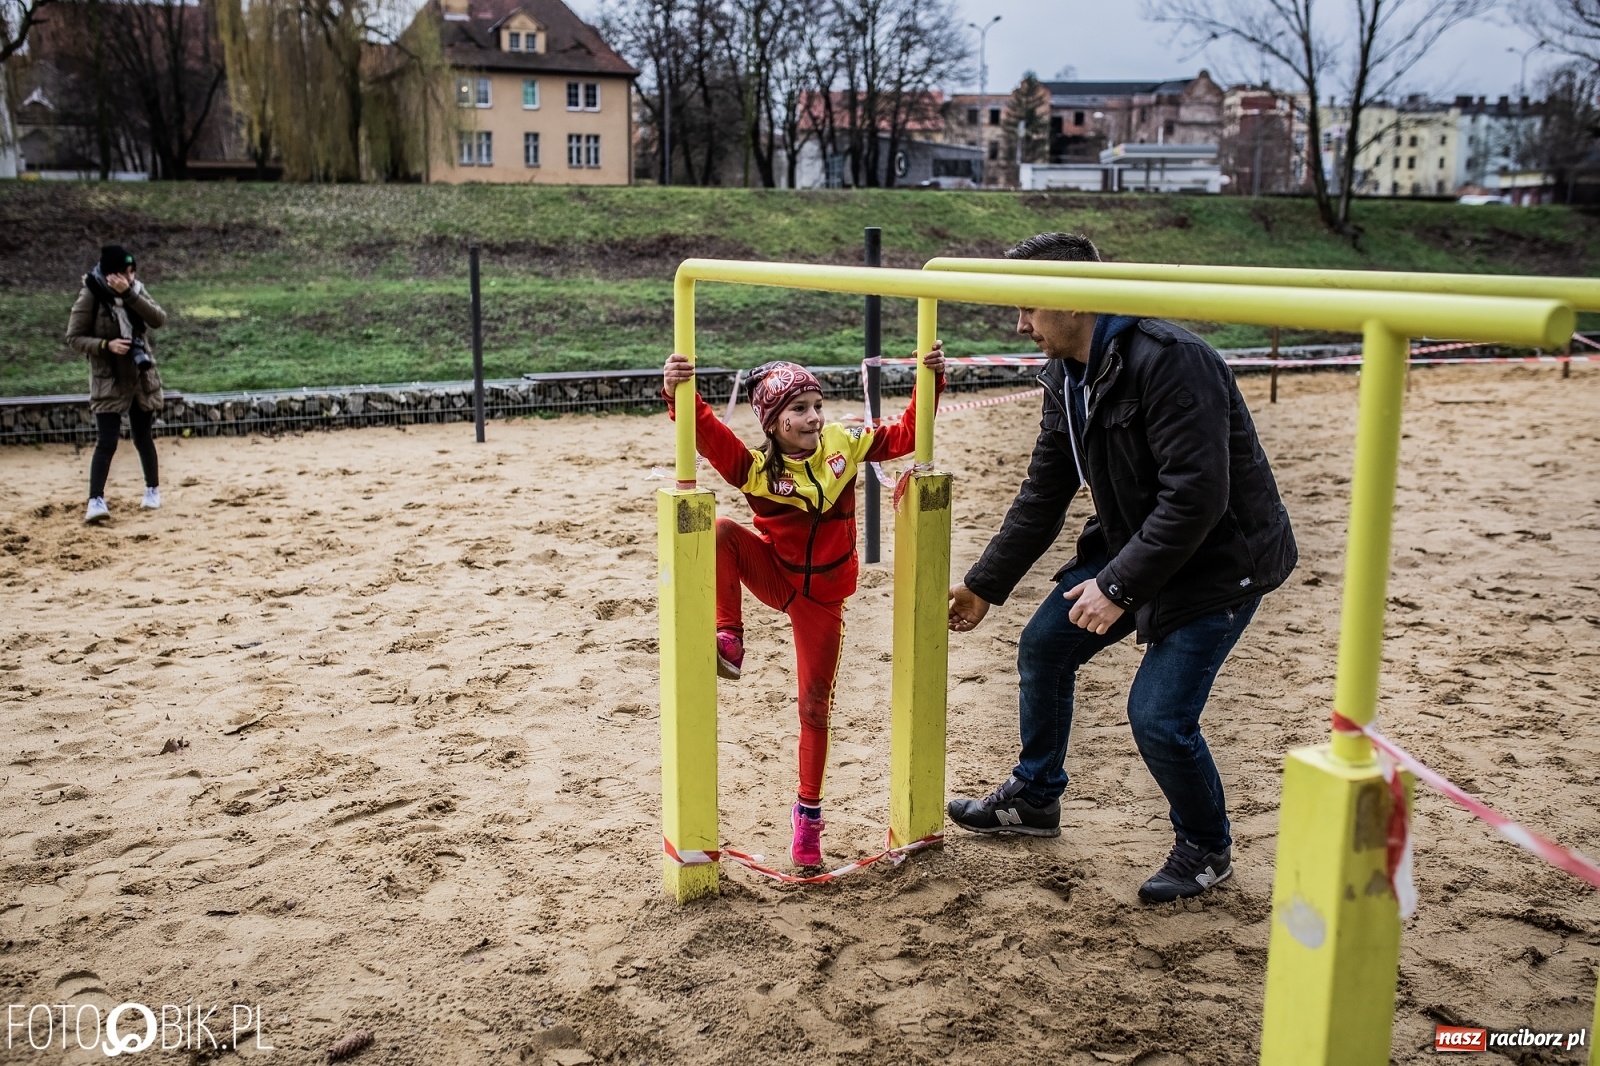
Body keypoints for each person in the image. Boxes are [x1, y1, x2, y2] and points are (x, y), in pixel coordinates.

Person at [944, 232, 1297, 903]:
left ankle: (1205, 846)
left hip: (1219, 560)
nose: (1018, 324)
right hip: (1139, 538)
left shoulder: (1172, 360)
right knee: (1045, 647)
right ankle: (1036, 796)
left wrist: (1115, 586)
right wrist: (986, 583)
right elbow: (1044, 492)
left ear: (1075, 300)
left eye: (1027, 307)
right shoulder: (1067, 373)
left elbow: (1196, 496)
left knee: (1159, 717)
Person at [663, 346, 946, 867]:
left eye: (817, 404)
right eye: (798, 409)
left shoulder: (844, 441)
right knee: (723, 532)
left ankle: (808, 818)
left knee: (815, 706)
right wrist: (679, 390)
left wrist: (930, 379)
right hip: (777, 576)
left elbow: (905, 435)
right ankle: (730, 638)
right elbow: (708, 435)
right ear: (772, 423)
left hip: (822, 598)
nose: (813, 417)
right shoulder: (754, 470)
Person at [66, 243, 168, 524]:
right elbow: (74, 338)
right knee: (107, 440)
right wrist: (105, 345)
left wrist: (131, 295)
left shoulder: (136, 290)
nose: (130, 277)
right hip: (108, 377)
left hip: (139, 374)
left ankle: (152, 490)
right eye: (125, 273)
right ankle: (96, 500)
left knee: (142, 436)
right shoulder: (91, 294)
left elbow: (158, 319)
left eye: (133, 272)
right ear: (110, 274)